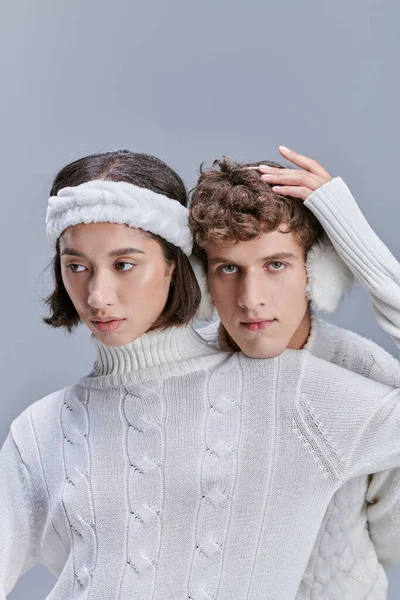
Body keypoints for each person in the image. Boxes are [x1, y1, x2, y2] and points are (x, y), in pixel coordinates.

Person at [1, 149, 400, 600]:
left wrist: (357, 240)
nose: (97, 295)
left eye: (124, 264)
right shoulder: (38, 430)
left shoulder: (299, 390)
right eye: (76, 267)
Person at [191, 146, 400, 599]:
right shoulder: (176, 370)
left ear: (316, 271)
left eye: (276, 265)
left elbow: (392, 535)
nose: (251, 298)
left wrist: (355, 237)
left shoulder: (366, 376)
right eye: (228, 268)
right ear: (203, 280)